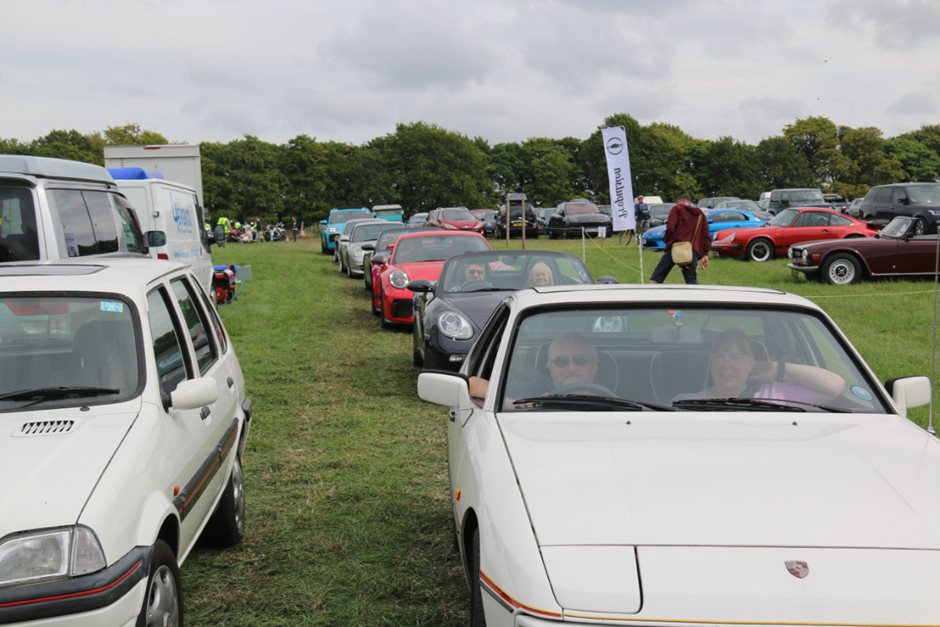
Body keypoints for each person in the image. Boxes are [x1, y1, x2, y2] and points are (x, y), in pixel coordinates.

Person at [676, 330, 845, 404]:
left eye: (735, 357)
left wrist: (779, 369)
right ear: (711, 362)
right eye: (719, 356)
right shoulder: (685, 401)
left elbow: (835, 386)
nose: (725, 364)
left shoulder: (778, 394)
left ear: (751, 363)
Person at [468, 333, 601, 401]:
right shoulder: (531, 390)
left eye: (580, 360)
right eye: (561, 361)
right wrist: (516, 404)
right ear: (550, 368)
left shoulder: (620, 393)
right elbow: (471, 384)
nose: (571, 368)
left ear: (595, 366)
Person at [649, 194, 710, 284]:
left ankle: (650, 296)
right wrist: (705, 254)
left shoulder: (676, 209)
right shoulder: (700, 214)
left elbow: (670, 228)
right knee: (691, 282)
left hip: (675, 247)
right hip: (691, 250)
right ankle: (696, 297)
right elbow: (706, 234)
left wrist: (667, 241)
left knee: (657, 277)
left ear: (677, 202)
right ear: (689, 202)